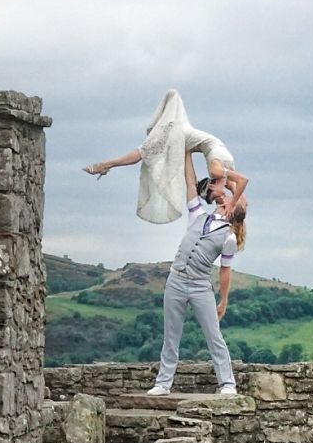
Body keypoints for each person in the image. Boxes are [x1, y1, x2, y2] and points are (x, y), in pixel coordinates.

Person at [147, 150, 247, 396]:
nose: (229, 199)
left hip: (201, 285)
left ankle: (227, 384)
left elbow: (225, 271)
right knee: (171, 335)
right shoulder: (198, 215)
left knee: (214, 336)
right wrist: (187, 152)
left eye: (235, 201)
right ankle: (163, 383)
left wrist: (223, 301)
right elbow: (190, 182)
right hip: (176, 280)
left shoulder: (229, 237)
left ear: (235, 209)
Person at [83, 89, 247, 225]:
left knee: (146, 154)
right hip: (176, 133)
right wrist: (232, 204)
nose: (222, 197)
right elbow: (243, 181)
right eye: (218, 197)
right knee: (143, 153)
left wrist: (234, 212)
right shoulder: (216, 171)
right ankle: (105, 165)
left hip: (185, 139)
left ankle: (105, 165)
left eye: (219, 198)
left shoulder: (225, 177)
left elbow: (243, 201)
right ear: (211, 187)